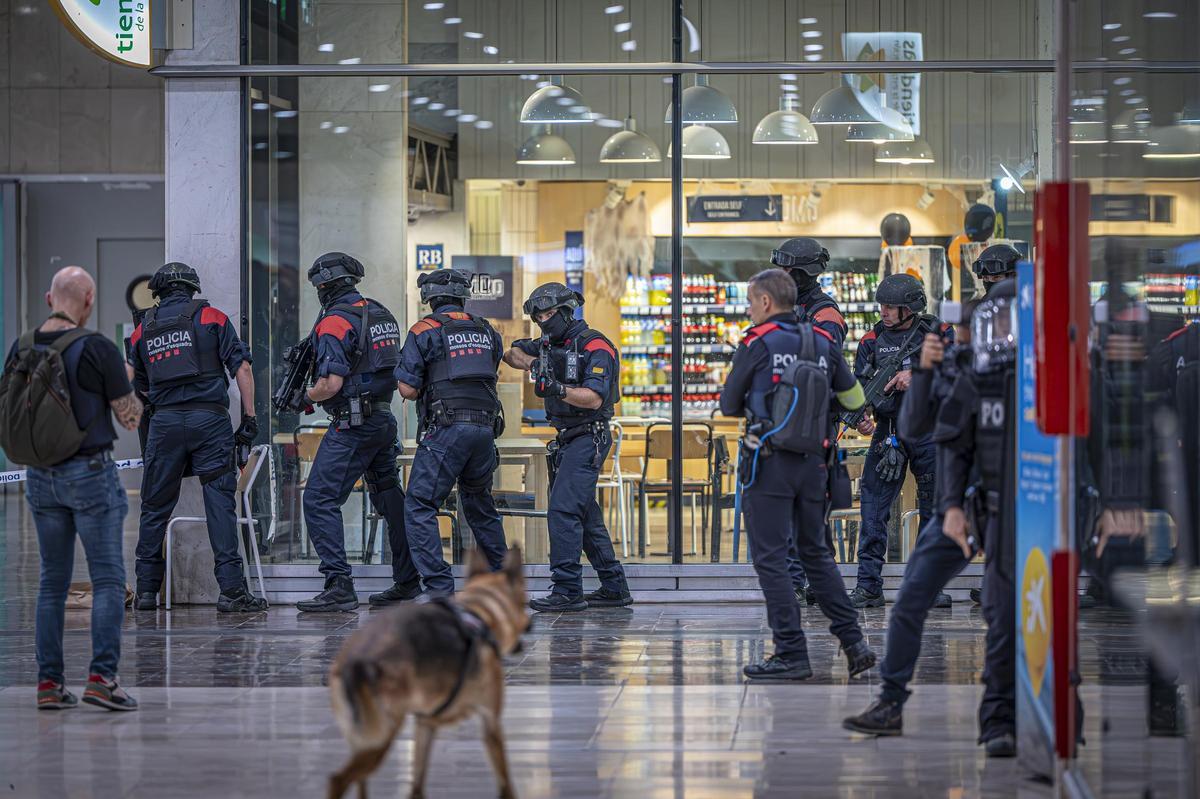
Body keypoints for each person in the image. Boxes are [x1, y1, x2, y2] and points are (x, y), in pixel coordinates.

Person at [843, 278, 1019, 758]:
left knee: (1005, 618)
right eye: (991, 321)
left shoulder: (1038, 372)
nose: (996, 331)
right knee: (910, 601)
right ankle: (889, 702)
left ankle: (1001, 721)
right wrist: (923, 374)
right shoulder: (963, 365)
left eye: (1006, 321)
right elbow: (923, 424)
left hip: (1014, 506)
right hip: (961, 501)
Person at [719, 268, 875, 681]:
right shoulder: (822, 340)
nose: (749, 310)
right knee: (818, 556)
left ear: (766, 303)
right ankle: (854, 643)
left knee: (771, 560)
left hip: (769, 466)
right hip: (816, 466)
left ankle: (791, 652)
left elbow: (730, 404)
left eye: (751, 302)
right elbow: (855, 397)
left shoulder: (757, 342)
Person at [3, 267, 143, 710]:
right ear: (88, 298)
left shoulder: (21, 346)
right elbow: (130, 417)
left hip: (40, 478)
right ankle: (103, 679)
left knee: (51, 583)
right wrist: (123, 380)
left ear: (49, 298)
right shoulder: (96, 346)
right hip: (90, 475)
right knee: (107, 579)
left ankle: (48, 685)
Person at [128, 263, 266, 613]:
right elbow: (243, 368)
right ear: (191, 288)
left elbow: (135, 384)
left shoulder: (142, 329)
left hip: (165, 424)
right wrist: (249, 417)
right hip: (210, 421)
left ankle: (146, 593)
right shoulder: (213, 318)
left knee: (155, 506)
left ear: (158, 292)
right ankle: (232, 592)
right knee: (220, 503)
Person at [296, 252, 422, 612]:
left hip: (353, 425)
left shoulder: (335, 321)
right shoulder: (381, 313)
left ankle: (338, 584)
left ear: (325, 285)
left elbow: (330, 383)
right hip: (382, 420)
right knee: (389, 498)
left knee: (318, 498)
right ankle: (408, 579)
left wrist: (304, 397)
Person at [379, 268, 508, 602]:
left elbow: (407, 388)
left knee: (420, 504)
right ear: (462, 297)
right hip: (484, 430)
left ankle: (438, 589)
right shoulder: (486, 330)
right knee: (479, 504)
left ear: (430, 298)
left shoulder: (424, 330)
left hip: (447, 428)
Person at [503, 283, 632, 612]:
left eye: (548, 314)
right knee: (584, 514)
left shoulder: (595, 345)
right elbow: (512, 353)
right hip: (566, 438)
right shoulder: (547, 344)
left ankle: (567, 589)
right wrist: (535, 366)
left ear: (565, 311)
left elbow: (594, 398)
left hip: (590, 434)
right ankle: (614, 586)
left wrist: (558, 387)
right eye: (538, 316)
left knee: (562, 510)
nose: (544, 321)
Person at [848, 274, 953, 609]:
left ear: (911, 307)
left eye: (892, 306)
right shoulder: (871, 339)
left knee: (933, 510)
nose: (885, 312)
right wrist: (860, 415)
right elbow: (859, 386)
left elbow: (960, 371)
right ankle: (868, 586)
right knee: (873, 509)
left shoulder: (938, 333)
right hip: (888, 430)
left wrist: (919, 375)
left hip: (930, 430)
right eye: (882, 305)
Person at [769, 237, 848, 605]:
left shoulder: (825, 313)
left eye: (787, 270)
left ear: (803, 273)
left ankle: (814, 579)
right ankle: (800, 580)